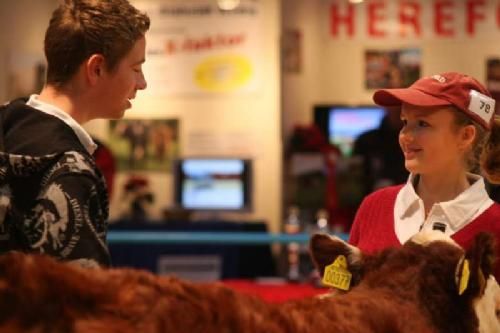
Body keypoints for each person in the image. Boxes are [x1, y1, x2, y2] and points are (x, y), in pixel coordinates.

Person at [0, 0, 150, 267]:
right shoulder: (73, 171)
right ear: (97, 69)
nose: (142, 83)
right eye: (136, 69)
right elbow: (80, 301)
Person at [348, 72, 500, 280]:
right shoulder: (373, 206)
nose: (405, 136)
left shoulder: (495, 227)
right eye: (405, 122)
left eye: (422, 124)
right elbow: (344, 298)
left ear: (466, 136)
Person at [352, 106, 408, 198]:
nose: (398, 108)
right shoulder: (365, 141)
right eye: (393, 104)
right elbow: (355, 182)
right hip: (371, 201)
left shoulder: (417, 141)